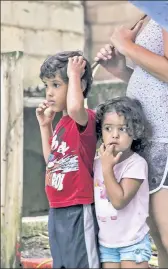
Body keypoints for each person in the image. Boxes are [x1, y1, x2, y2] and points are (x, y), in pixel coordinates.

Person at [94, 14, 168, 268]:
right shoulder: (152, 12)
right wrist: (121, 69)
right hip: (149, 136)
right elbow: (158, 81)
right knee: (162, 241)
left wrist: (127, 45)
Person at [36, 51, 99, 268]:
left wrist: (74, 75)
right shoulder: (61, 125)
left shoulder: (85, 119)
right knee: (62, 263)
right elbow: (52, 161)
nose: (49, 93)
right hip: (57, 207)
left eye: (56, 84)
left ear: (78, 85)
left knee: (81, 262)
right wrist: (46, 127)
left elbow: (74, 107)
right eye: (47, 86)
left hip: (78, 207)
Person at [94, 96, 152, 268]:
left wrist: (106, 169)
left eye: (123, 129)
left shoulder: (136, 164)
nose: (114, 135)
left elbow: (119, 201)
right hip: (107, 244)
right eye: (108, 128)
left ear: (135, 132)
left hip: (133, 243)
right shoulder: (97, 162)